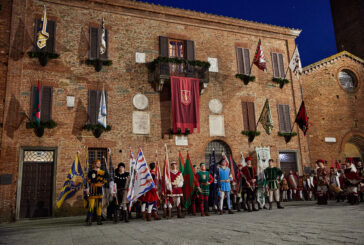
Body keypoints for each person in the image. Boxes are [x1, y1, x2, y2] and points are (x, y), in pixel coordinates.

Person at [85, 159, 109, 225]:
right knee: (91, 205)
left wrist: (103, 183)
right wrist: (87, 189)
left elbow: (107, 178)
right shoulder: (90, 172)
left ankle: (99, 220)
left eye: (100, 163)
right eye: (98, 163)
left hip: (99, 190)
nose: (99, 164)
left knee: (99, 205)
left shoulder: (103, 172)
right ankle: (90, 220)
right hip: (92, 190)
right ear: (95, 164)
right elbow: (87, 181)